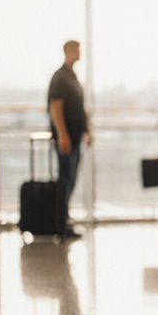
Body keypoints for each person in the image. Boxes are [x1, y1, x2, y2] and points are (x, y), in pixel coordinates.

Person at [47, 40, 90, 239]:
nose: (80, 52)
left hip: (75, 138)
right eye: (77, 49)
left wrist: (86, 131)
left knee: (70, 180)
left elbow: (79, 109)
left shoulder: (72, 77)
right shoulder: (60, 77)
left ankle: (63, 220)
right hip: (67, 139)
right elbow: (55, 108)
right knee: (65, 180)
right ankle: (59, 223)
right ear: (69, 51)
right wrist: (63, 135)